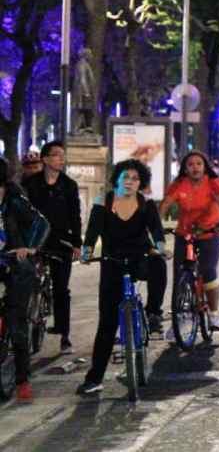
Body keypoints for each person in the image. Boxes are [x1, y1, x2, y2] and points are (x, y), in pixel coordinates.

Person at [76, 159, 166, 395]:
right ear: (116, 179)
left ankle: (154, 312)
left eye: (135, 178)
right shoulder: (103, 202)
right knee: (107, 323)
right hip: (112, 262)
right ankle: (94, 378)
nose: (130, 182)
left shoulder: (146, 205)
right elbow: (93, 230)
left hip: (139, 258)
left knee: (158, 265)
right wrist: (86, 253)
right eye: (125, 177)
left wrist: (160, 246)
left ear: (141, 183)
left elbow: (156, 231)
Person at [159, 151, 219, 330]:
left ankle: (213, 314)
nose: (195, 167)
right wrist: (157, 224)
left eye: (199, 163)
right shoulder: (178, 184)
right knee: (179, 275)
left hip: (210, 232)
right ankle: (178, 318)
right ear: (185, 168)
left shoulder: (213, 182)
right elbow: (165, 204)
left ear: (205, 166)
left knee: (208, 271)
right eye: (190, 164)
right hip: (185, 233)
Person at [23, 140, 81, 354]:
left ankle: (65, 335)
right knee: (27, 283)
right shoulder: (30, 184)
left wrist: (76, 243)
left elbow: (75, 216)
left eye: (62, 155)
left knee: (61, 290)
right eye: (56, 155)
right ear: (45, 159)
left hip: (61, 243)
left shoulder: (69, 185)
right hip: (35, 242)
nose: (61, 159)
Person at [0, 156, 50, 402]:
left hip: (15, 264)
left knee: (16, 321)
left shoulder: (14, 200)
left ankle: (22, 380)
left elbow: (41, 224)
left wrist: (28, 248)